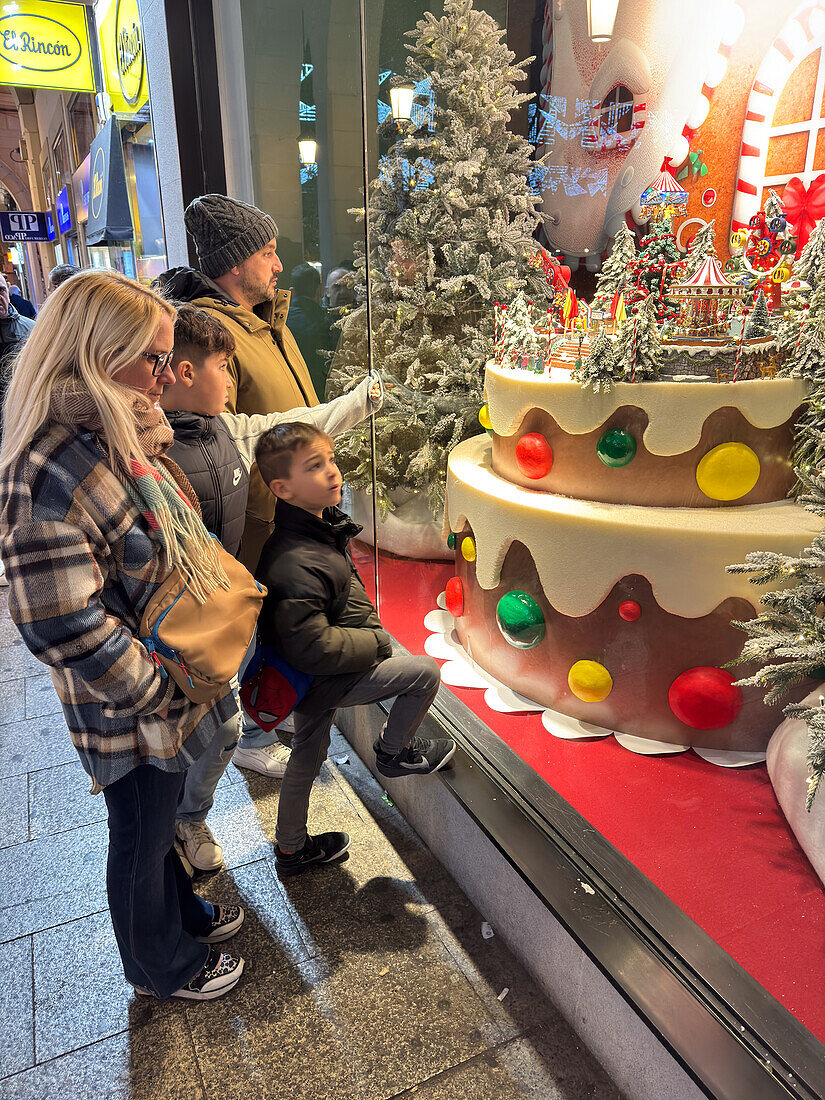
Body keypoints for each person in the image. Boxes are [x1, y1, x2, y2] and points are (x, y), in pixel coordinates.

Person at [0, 271, 245, 1001]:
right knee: (139, 832)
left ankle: (182, 915)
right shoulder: (46, 466)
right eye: (153, 359)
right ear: (95, 355)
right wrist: (157, 688)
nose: (167, 376)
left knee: (162, 815)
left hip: (160, 679)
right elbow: (59, 622)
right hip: (126, 702)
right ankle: (158, 966)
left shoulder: (113, 430)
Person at [160, 304, 383, 870]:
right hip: (174, 621)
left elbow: (297, 422)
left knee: (226, 724)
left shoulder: (227, 431)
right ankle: (180, 823)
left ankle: (188, 816)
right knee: (206, 729)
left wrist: (360, 401)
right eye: (224, 368)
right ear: (187, 373)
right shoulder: (149, 448)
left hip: (229, 607)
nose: (232, 381)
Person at [254, 422, 453, 876]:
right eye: (314, 466)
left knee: (307, 752)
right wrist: (376, 642)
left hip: (304, 678)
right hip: (322, 677)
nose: (332, 472)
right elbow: (313, 646)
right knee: (423, 673)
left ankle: (290, 849)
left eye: (330, 460)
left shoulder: (316, 530)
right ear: (283, 489)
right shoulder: (295, 557)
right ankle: (393, 753)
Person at [156, 194, 320, 576]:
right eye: (267, 253)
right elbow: (213, 446)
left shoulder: (266, 323)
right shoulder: (208, 339)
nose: (279, 265)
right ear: (234, 263)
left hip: (298, 519)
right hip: (267, 538)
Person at [287, 263, 335, 398]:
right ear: (319, 290)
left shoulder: (281, 321)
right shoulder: (326, 320)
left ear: (292, 291)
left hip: (292, 389)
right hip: (321, 389)